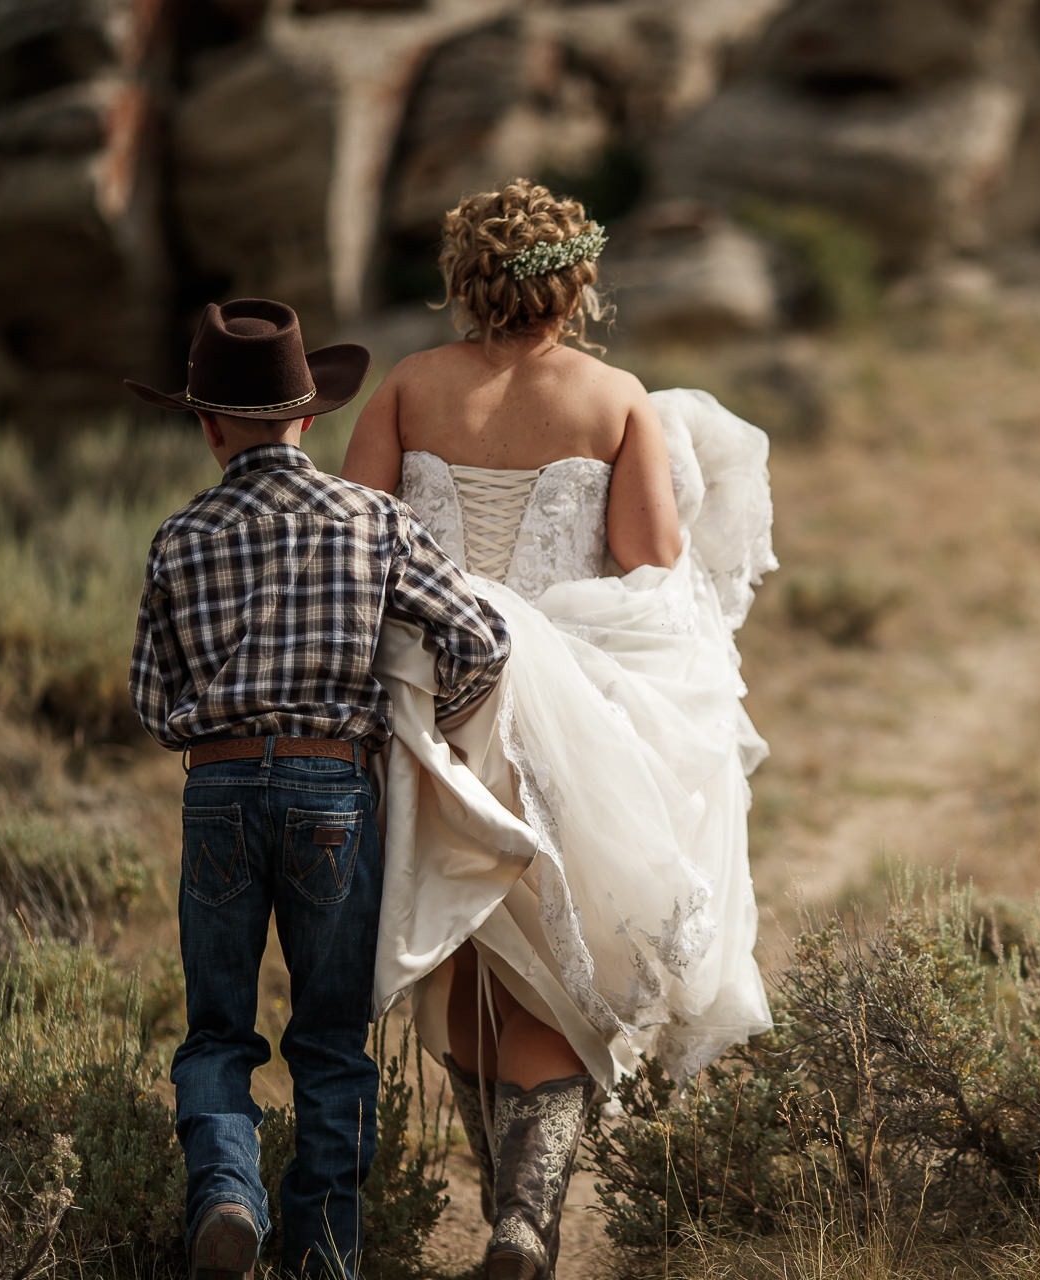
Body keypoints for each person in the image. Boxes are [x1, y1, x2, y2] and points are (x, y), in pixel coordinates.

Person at [340, 178, 776, 1280]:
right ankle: (525, 1221)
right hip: (559, 708)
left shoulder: (407, 388)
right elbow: (651, 567)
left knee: (467, 942)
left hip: (425, 703)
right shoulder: (614, 396)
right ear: (576, 281)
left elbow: (353, 545)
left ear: (464, 279)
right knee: (554, 946)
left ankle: (508, 1213)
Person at [125, 299, 512, 1280]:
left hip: (216, 791)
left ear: (207, 425)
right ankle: (328, 1248)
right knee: (332, 1033)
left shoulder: (177, 538)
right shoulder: (375, 520)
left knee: (218, 1023)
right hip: (334, 789)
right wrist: (405, 732)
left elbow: (149, 696)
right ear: (310, 418)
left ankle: (224, 1191)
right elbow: (482, 641)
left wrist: (215, 736)